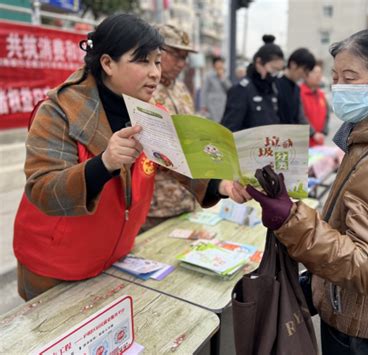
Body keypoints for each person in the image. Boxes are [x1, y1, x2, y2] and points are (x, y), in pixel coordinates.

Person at [13, 14, 249, 301]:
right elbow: (42, 190)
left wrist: (220, 185)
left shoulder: (148, 110)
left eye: (157, 61)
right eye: (142, 60)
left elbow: (177, 160)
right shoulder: (58, 111)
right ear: (107, 63)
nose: (154, 73)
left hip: (115, 258)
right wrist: (105, 163)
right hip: (54, 266)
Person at [247, 28, 368, 354]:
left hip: (358, 320)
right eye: (335, 77)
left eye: (350, 78)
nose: (338, 88)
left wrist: (291, 219)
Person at [143, 24, 200, 231]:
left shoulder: (182, 89)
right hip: (156, 204)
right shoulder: (142, 90)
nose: (181, 63)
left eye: (185, 57)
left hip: (187, 198)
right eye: (176, 55)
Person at [221, 35, 285, 132]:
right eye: (273, 69)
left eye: (278, 71)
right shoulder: (241, 91)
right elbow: (229, 130)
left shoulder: (271, 89)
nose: (274, 74)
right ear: (259, 63)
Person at [275, 47, 316, 125]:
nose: (305, 76)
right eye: (304, 71)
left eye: (308, 73)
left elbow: (297, 117)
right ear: (293, 64)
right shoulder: (275, 84)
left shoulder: (297, 89)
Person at [300, 60, 330, 146]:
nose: (318, 75)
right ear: (305, 75)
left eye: (320, 72)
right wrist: (313, 133)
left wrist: (324, 132)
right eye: (314, 72)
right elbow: (300, 116)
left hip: (319, 143)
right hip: (305, 144)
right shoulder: (299, 93)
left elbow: (327, 114)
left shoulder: (321, 94)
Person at [200, 56, 231, 122]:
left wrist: (222, 78)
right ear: (214, 65)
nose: (220, 65)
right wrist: (203, 105)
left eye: (221, 64)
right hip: (211, 104)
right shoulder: (209, 76)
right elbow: (204, 91)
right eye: (218, 64)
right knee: (213, 122)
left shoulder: (225, 75)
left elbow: (229, 89)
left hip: (222, 103)